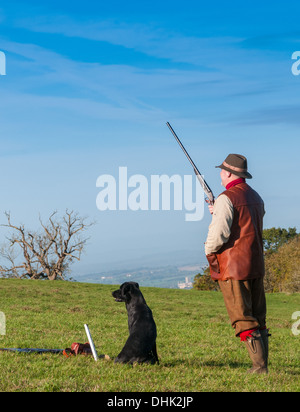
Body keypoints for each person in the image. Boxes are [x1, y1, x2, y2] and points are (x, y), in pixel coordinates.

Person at [205, 154, 270, 374]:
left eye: (222, 170)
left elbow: (219, 236)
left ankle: (259, 368)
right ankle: (263, 366)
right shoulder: (256, 196)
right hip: (256, 264)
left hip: (234, 268)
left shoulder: (226, 198)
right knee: (258, 316)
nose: (220, 174)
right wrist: (218, 212)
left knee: (243, 318)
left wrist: (207, 249)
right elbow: (246, 221)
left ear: (230, 173)